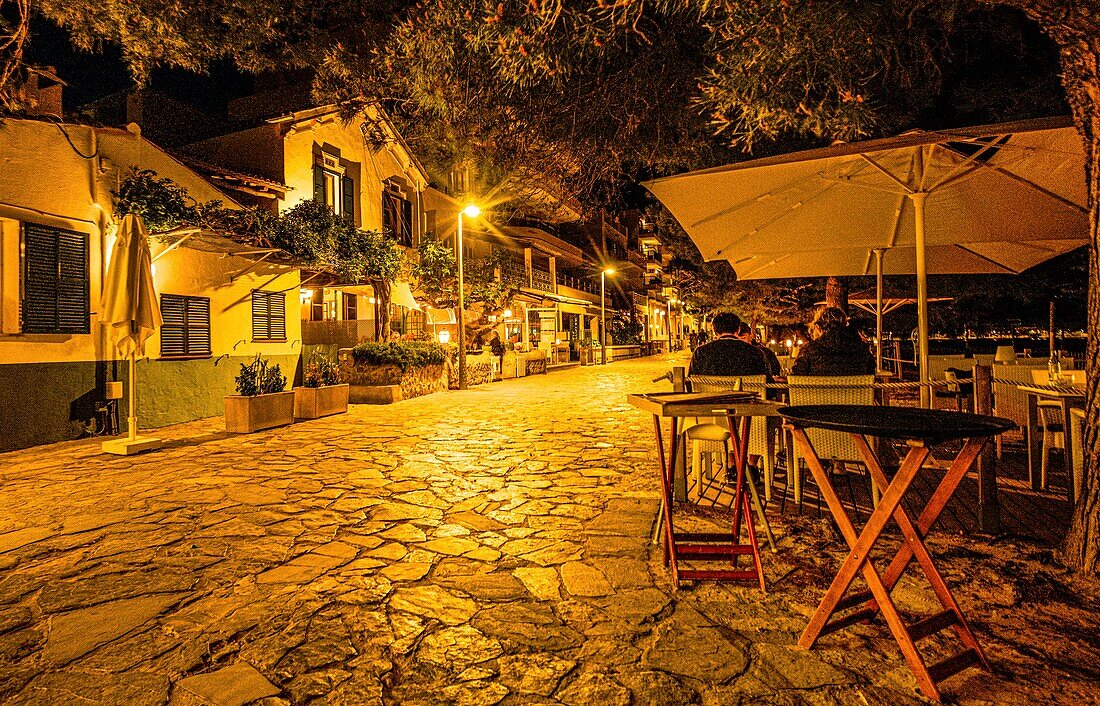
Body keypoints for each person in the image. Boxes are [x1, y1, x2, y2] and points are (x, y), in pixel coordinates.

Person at [790, 306, 875, 375]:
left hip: (818, 396)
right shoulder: (861, 349)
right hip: (856, 395)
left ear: (818, 328)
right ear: (845, 324)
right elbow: (871, 374)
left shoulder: (809, 350)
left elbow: (796, 379)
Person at [688, 312, 771, 379]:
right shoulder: (755, 352)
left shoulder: (701, 352)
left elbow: (690, 381)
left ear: (715, 331)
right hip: (747, 399)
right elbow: (768, 385)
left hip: (709, 399)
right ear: (738, 330)